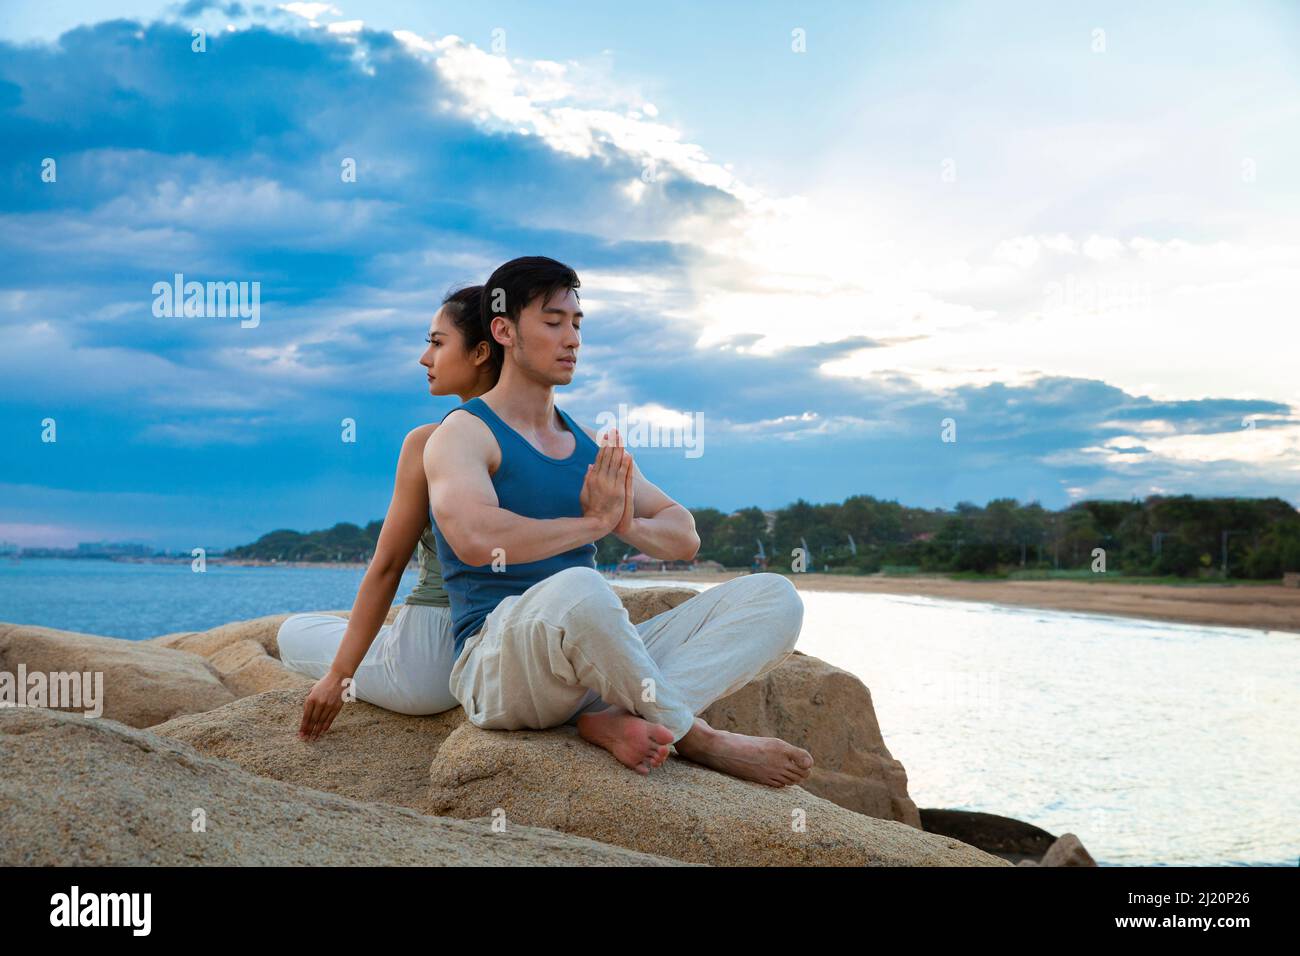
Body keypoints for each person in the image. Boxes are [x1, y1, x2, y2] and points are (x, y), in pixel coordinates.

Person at [425, 256, 814, 785]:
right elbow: (474, 539)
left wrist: (621, 522)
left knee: (774, 597)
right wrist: (592, 524)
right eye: (553, 322)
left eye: (577, 324)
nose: (572, 339)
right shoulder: (464, 433)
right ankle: (696, 736)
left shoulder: (587, 443)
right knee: (582, 588)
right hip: (501, 663)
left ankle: (612, 717)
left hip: (595, 659)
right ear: (504, 330)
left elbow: (683, 535)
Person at [280, 286, 498, 739]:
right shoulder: (542, 439)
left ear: (481, 351)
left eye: (437, 343)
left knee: (292, 631)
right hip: (504, 653)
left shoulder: (427, 442)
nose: (425, 358)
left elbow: (387, 567)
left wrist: (338, 677)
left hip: (429, 667)